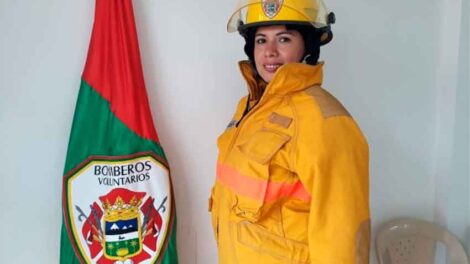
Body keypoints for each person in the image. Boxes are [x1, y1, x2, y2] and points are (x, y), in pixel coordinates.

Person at [208, 0, 370, 263]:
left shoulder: (326, 120)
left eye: (283, 39)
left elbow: (343, 233)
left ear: (307, 46)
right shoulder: (249, 107)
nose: (269, 52)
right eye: (261, 40)